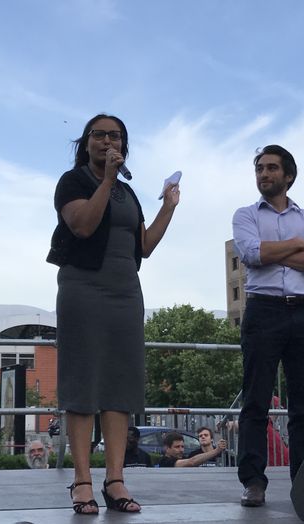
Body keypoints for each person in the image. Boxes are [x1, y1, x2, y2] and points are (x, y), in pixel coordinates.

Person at [48, 114, 180, 514]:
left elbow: (144, 245)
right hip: (84, 289)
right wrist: (105, 179)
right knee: (83, 383)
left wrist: (169, 208)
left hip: (125, 292)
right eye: (99, 134)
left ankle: (116, 479)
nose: (108, 140)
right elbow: (83, 226)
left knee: (120, 387)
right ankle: (82, 482)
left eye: (116, 136)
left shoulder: (128, 192)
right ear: (85, 142)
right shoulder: (73, 182)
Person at [232, 144, 304, 508]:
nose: (264, 174)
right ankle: (254, 481)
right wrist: (294, 246)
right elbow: (252, 254)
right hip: (263, 311)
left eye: (272, 168)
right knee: (255, 400)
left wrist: (277, 250)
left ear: (288, 175)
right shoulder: (245, 215)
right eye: (259, 168)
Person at [158, 431, 227, 468]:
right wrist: (216, 451)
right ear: (167, 448)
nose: (181, 450)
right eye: (177, 447)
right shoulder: (165, 462)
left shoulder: (183, 458)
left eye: (182, 446)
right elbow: (191, 462)